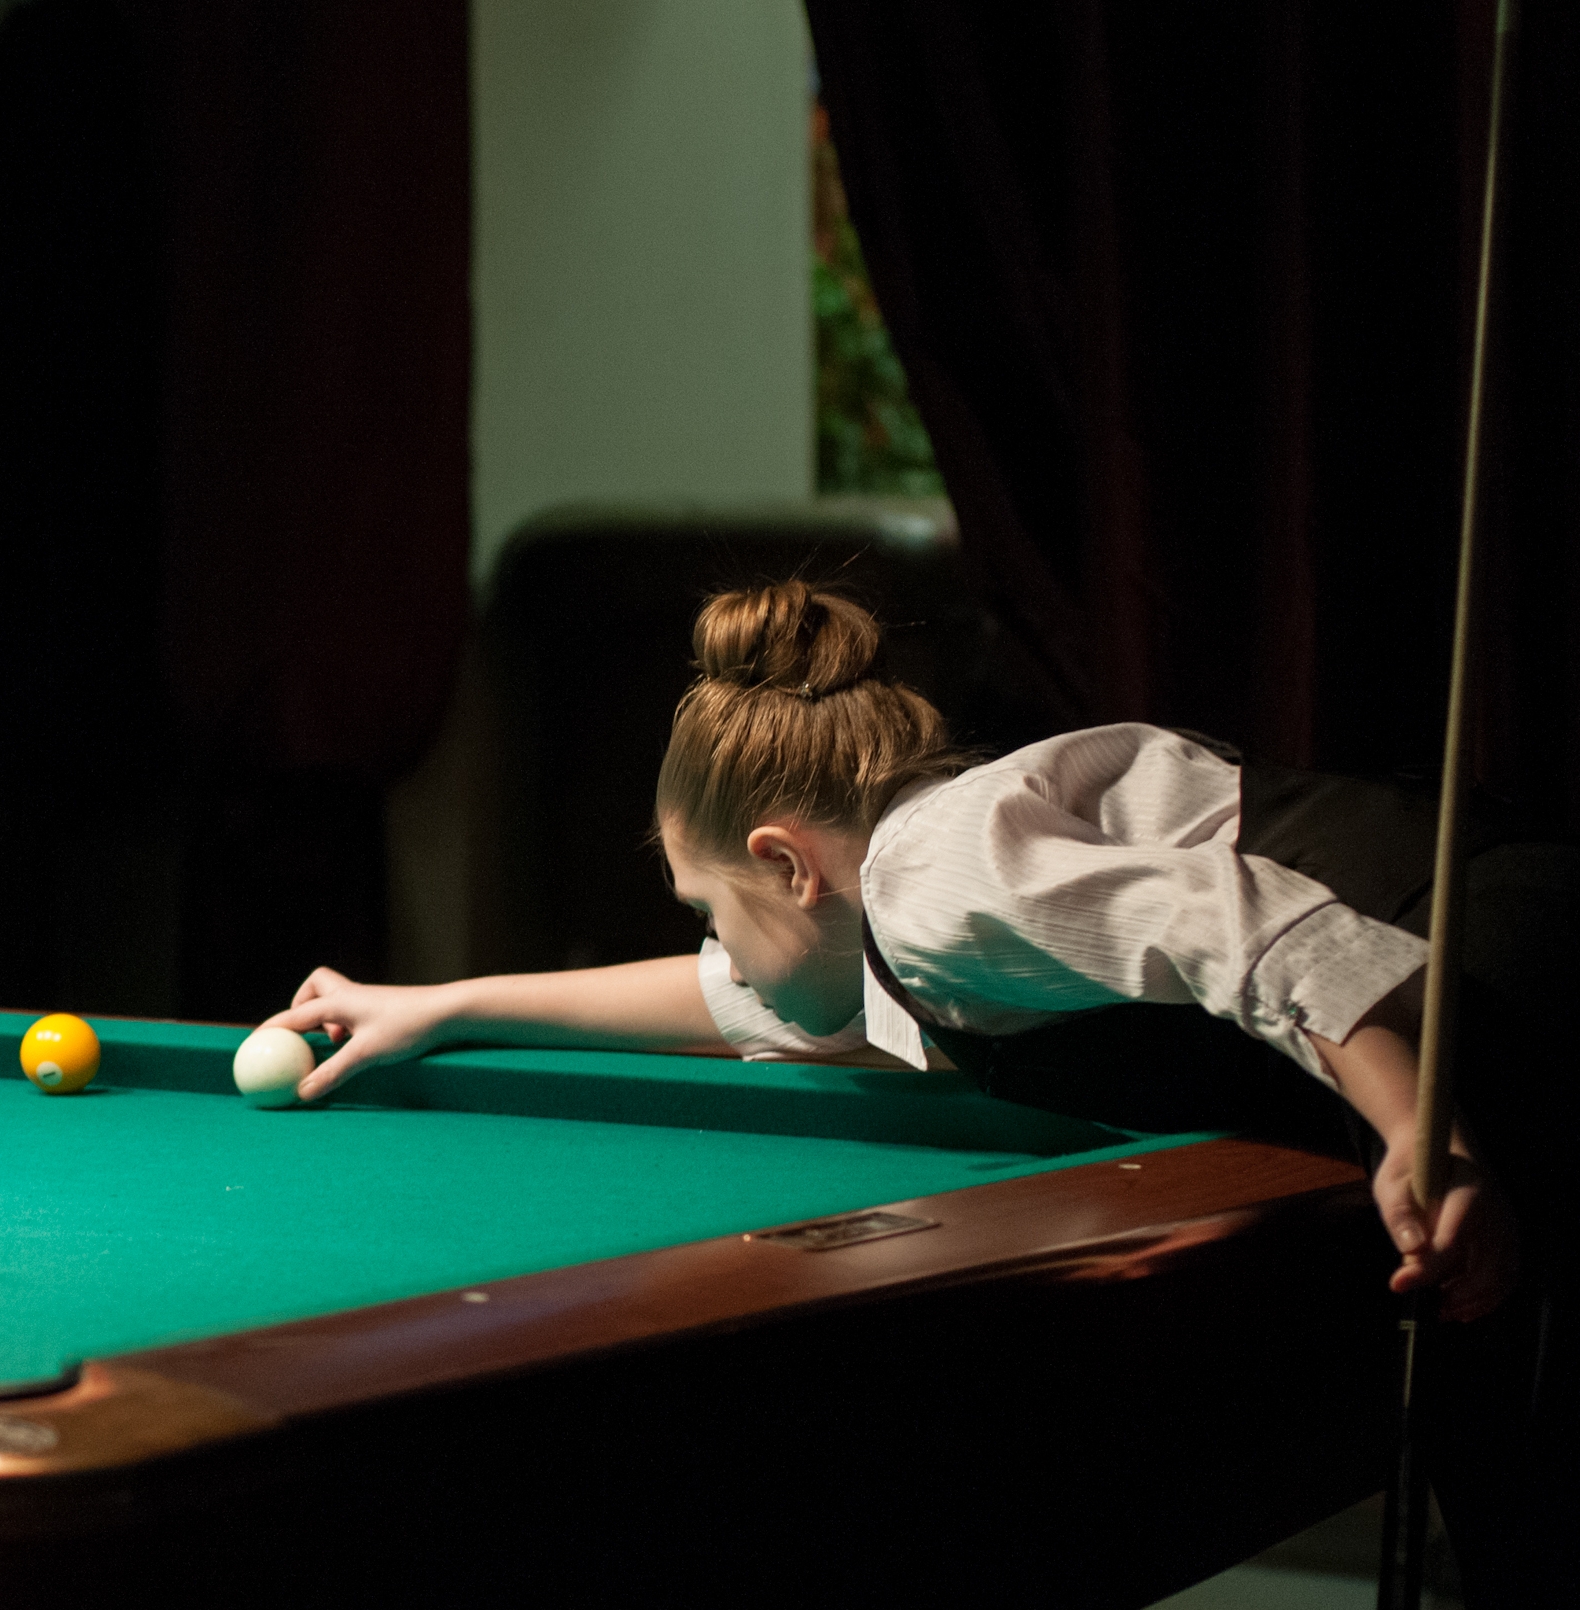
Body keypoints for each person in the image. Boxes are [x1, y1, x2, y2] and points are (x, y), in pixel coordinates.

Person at [269, 580, 1569, 1605]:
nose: (719, 946)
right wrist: (445, 1004)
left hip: (1504, 980)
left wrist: (1426, 1133)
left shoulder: (934, 885)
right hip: (1439, 1013)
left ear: (788, 864)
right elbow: (732, 998)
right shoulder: (911, 893)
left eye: (713, 906)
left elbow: (1258, 931)